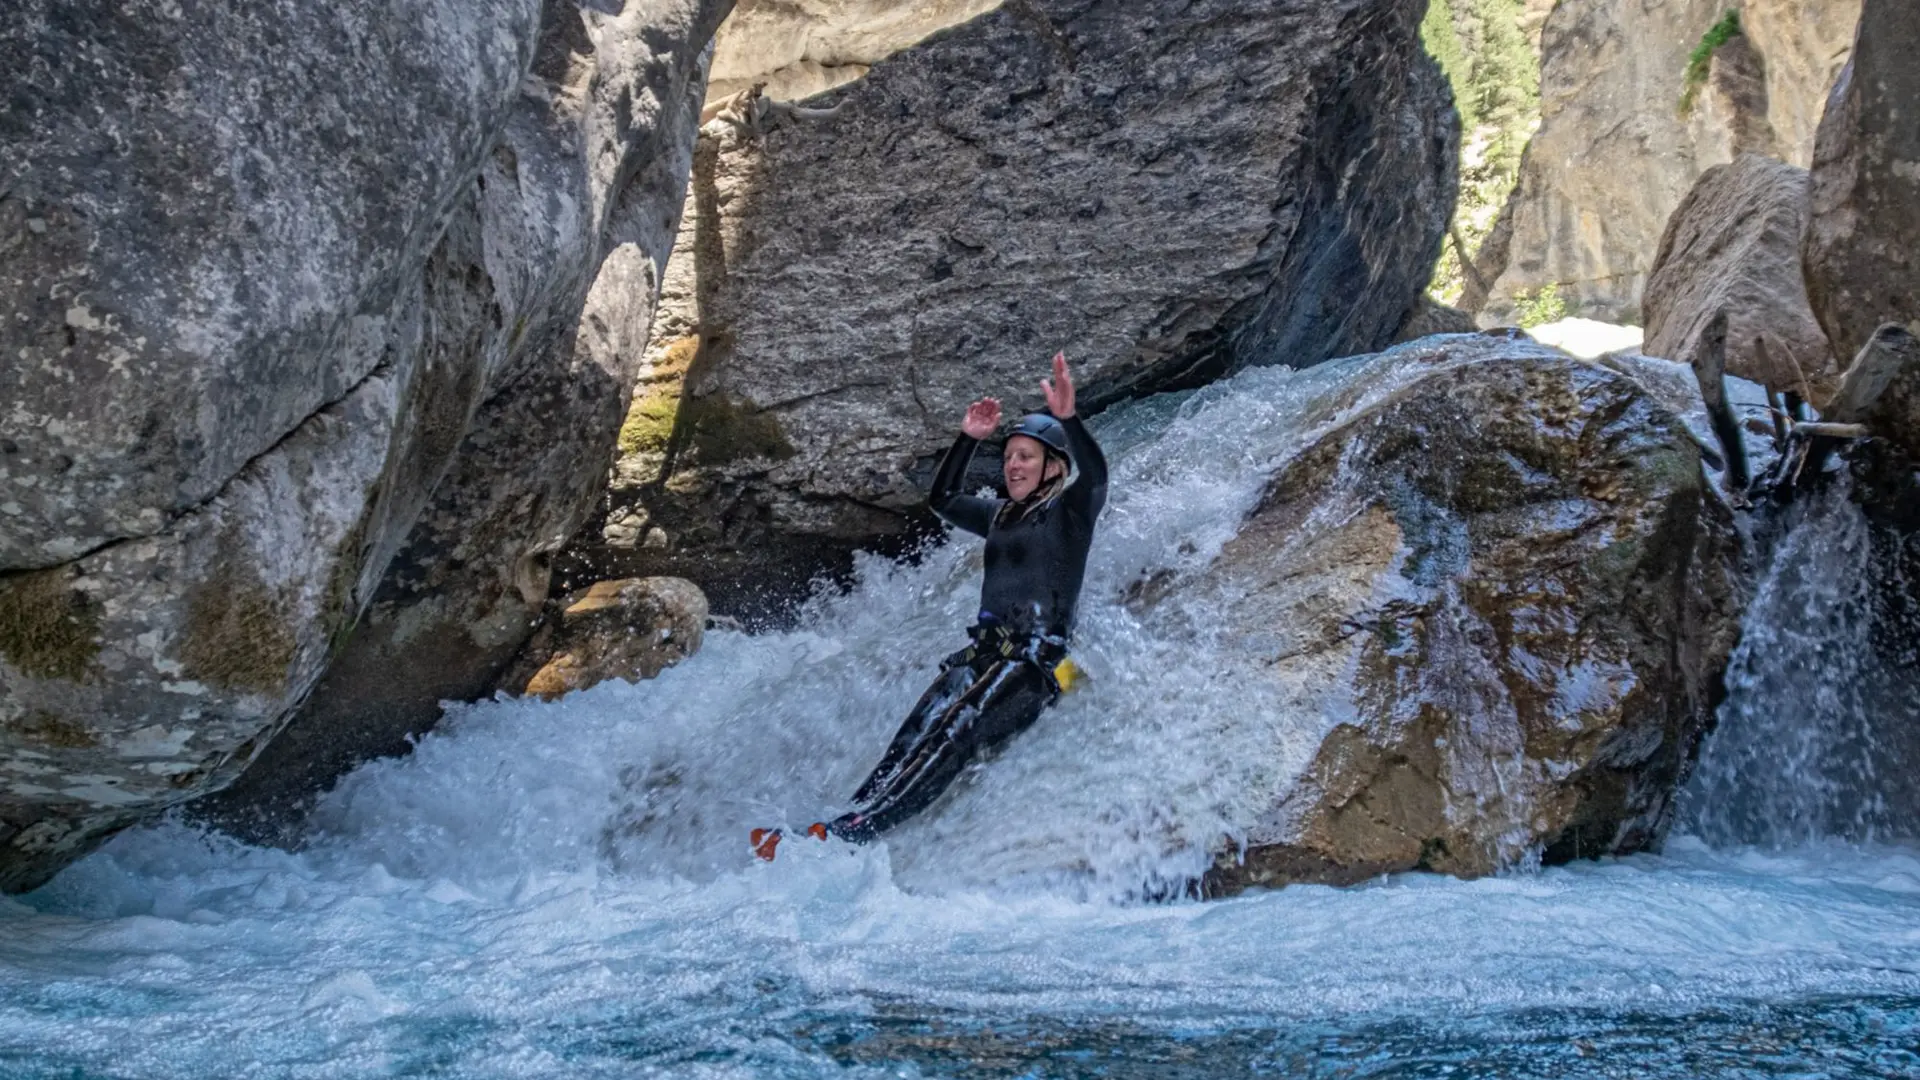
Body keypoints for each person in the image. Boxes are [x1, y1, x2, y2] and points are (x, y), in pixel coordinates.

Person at [751, 352, 1108, 859]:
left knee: (957, 726)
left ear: (1054, 467)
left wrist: (1070, 420)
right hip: (985, 656)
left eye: (1026, 457)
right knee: (917, 728)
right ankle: (840, 823)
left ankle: (857, 833)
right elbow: (943, 498)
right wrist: (968, 439)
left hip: (1037, 665)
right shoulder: (1001, 516)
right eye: (1008, 457)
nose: (1013, 465)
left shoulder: (1070, 514)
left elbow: (1095, 479)